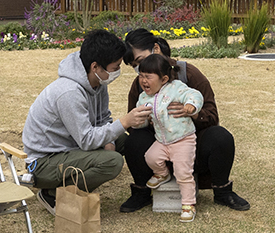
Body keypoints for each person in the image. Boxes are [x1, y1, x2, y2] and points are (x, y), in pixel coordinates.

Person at [119, 29, 250, 213]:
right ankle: (141, 192)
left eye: (139, 62)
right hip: (159, 154)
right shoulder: (140, 85)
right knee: (133, 140)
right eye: (135, 66)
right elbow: (134, 126)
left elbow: (212, 116)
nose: (139, 72)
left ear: (156, 49)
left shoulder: (188, 74)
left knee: (220, 137)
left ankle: (222, 191)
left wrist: (193, 113)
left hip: (191, 150)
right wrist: (143, 120)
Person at [21, 31, 131, 208]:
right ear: (95, 67)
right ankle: (52, 194)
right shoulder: (69, 92)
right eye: (115, 67)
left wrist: (110, 140)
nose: (118, 71)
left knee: (125, 140)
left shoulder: (98, 83)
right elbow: (87, 140)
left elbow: (103, 118)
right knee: (113, 161)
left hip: (72, 147)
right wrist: (125, 122)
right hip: (43, 163)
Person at [131, 53, 203, 221]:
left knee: (183, 172)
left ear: (163, 79)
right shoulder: (143, 97)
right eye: (141, 76)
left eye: (148, 77)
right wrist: (139, 122)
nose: (143, 81)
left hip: (183, 139)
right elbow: (140, 121)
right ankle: (162, 173)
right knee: (150, 157)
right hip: (162, 140)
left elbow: (195, 95)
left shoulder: (175, 88)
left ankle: (188, 204)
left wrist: (191, 106)